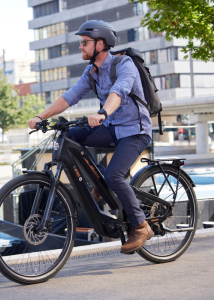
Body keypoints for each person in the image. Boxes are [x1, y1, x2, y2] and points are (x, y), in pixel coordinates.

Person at [28, 20, 154, 254]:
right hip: (111, 128)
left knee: (115, 176)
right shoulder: (92, 71)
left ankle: (141, 226)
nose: (80, 47)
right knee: (72, 136)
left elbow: (120, 91)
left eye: (84, 42)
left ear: (100, 44)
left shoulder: (124, 64)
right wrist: (40, 116)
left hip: (135, 131)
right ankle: (100, 180)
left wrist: (103, 112)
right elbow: (70, 96)